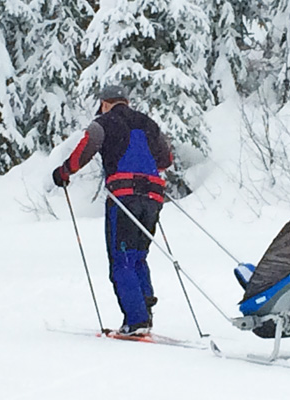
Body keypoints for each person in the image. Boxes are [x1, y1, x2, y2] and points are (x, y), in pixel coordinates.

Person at [52, 85, 173, 335]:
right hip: (153, 196)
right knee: (138, 255)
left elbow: (87, 147)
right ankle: (145, 314)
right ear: (127, 102)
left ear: (105, 103)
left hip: (124, 196)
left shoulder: (103, 122)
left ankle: (136, 321)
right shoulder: (149, 123)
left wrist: (64, 172)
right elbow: (166, 160)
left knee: (121, 259)